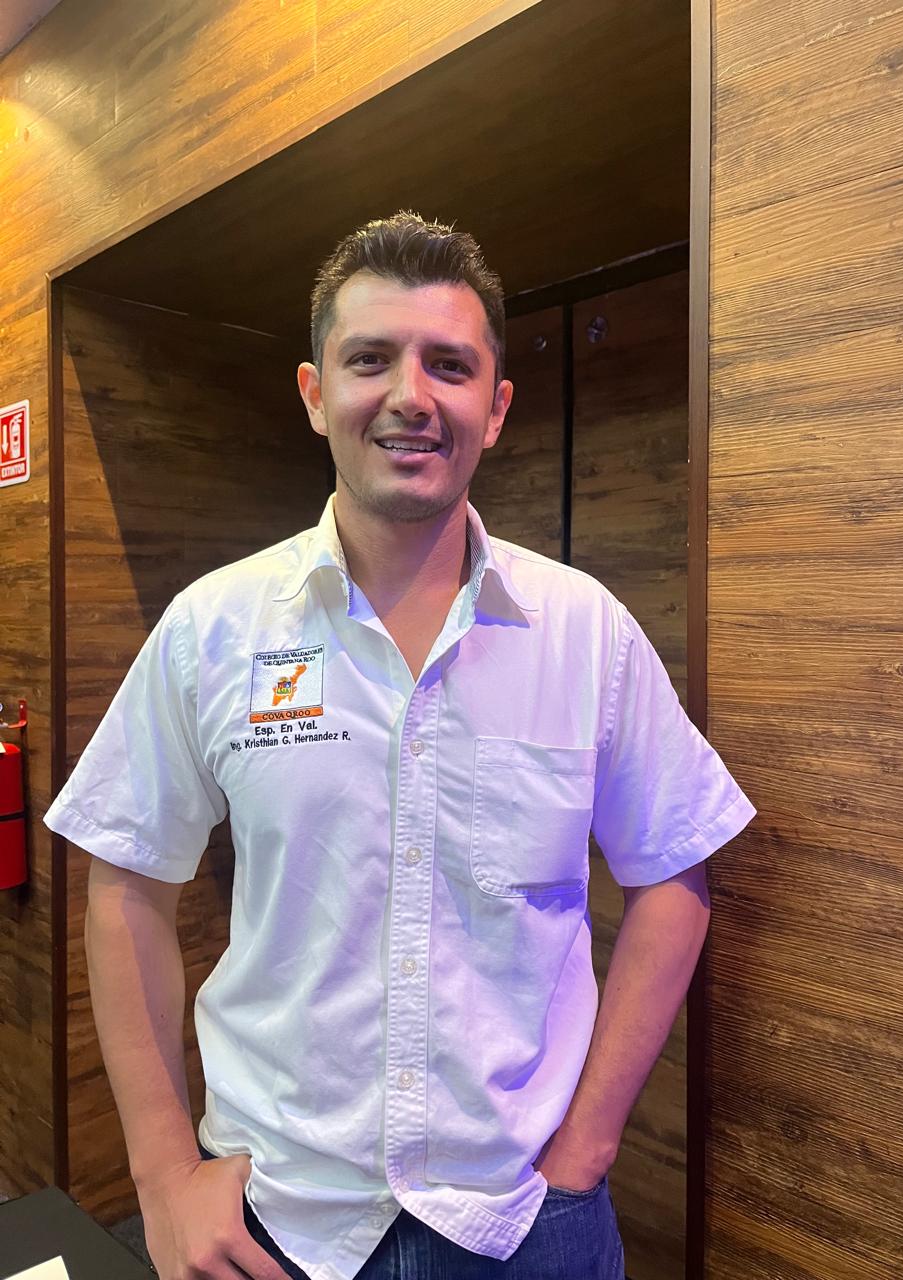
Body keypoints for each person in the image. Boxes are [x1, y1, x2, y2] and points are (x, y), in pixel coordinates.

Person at [44, 211, 757, 1280]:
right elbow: (127, 883)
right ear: (314, 392)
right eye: (370, 358)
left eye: (450, 365)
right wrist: (160, 1175)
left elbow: (674, 874)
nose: (410, 395)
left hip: (530, 1218)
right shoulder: (213, 626)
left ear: (496, 406)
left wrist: (589, 1145)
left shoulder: (585, 629)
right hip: (277, 1215)